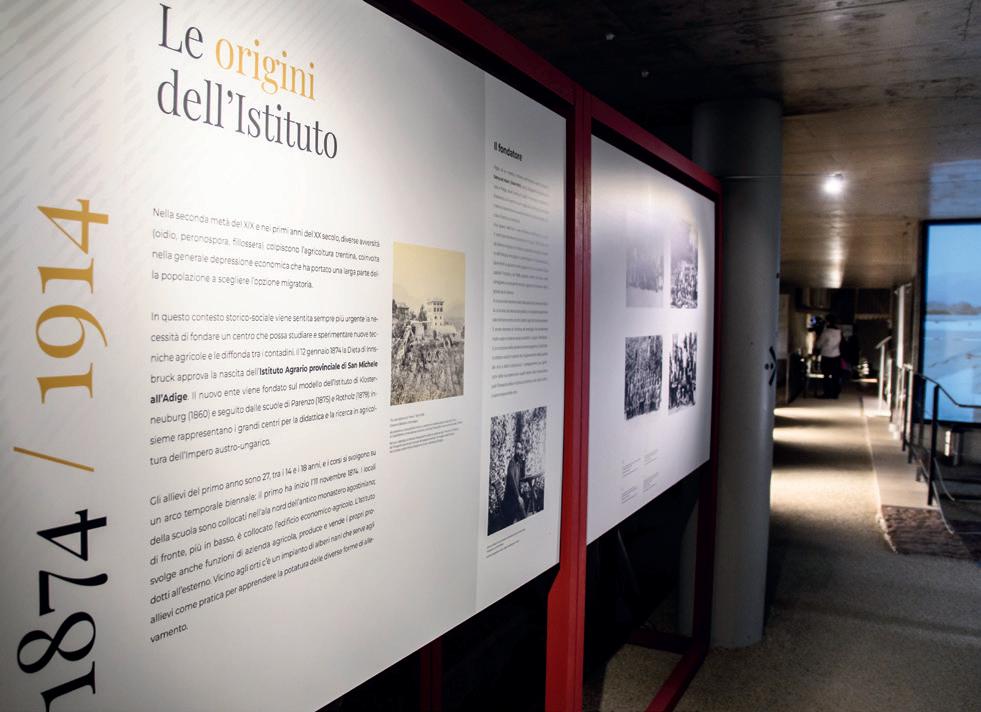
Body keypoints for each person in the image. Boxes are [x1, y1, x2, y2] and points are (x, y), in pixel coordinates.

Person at [814, 314, 843, 398]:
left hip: (826, 356)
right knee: (835, 376)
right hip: (836, 355)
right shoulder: (839, 332)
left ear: (828, 322)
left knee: (826, 376)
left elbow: (818, 345)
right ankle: (835, 393)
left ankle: (827, 393)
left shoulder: (826, 333)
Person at [501, 440, 528, 525]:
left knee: (526, 498)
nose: (519, 451)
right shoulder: (512, 463)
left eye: (520, 449)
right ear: (515, 449)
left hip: (515, 496)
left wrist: (524, 461)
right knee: (522, 504)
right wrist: (518, 497)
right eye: (518, 448)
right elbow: (512, 482)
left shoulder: (518, 463)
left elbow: (522, 476)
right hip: (510, 498)